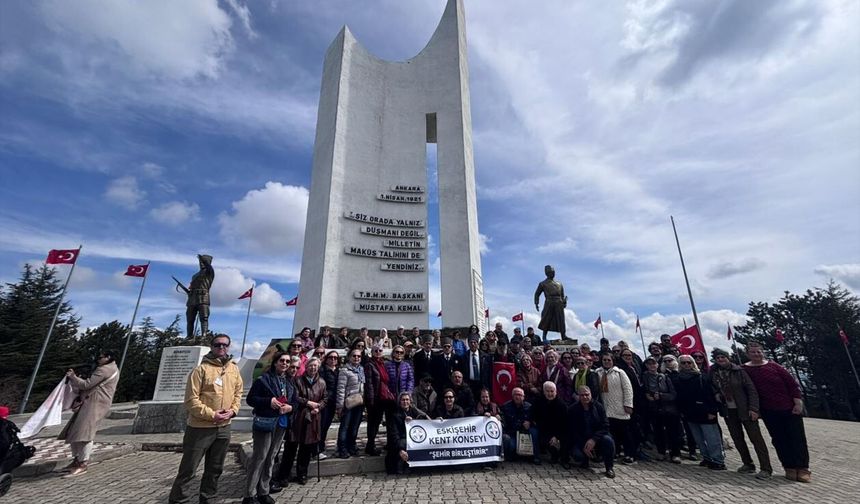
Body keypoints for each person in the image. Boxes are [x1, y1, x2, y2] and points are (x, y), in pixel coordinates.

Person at [168, 335, 243, 503]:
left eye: (225, 345)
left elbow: (238, 393)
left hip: (224, 427)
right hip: (200, 428)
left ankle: (208, 498)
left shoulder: (234, 369)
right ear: (212, 346)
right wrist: (212, 415)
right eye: (218, 344)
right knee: (189, 469)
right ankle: (179, 500)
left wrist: (233, 411)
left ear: (229, 347)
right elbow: (191, 400)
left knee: (215, 468)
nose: (221, 347)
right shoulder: (200, 370)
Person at [743, 341, 810, 482]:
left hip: (789, 408)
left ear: (763, 352)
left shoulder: (774, 366)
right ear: (747, 354)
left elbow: (792, 385)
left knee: (797, 438)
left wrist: (798, 402)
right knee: (779, 440)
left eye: (759, 351)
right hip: (768, 410)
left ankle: (803, 468)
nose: (756, 354)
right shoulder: (745, 370)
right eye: (753, 352)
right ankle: (789, 466)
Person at [710, 348, 772, 479]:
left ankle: (766, 468)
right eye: (718, 358)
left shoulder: (739, 371)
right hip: (728, 410)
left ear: (728, 358)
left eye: (723, 357)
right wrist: (716, 394)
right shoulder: (714, 373)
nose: (721, 360)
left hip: (745, 409)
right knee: (738, 439)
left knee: (756, 439)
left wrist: (754, 409)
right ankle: (748, 463)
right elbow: (714, 387)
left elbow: (751, 390)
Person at [243, 352, 295, 504]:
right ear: (275, 362)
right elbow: (251, 399)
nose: (284, 363)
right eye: (282, 361)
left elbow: (295, 402)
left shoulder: (289, 382)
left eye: (287, 361)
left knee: (271, 457)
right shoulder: (263, 380)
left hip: (281, 423)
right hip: (265, 422)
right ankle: (249, 494)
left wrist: (290, 407)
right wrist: (268, 401)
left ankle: (263, 491)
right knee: (259, 457)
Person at [59, 350, 120, 477]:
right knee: (76, 432)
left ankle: (82, 463)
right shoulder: (113, 368)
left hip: (94, 404)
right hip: (94, 403)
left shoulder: (104, 370)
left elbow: (87, 385)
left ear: (108, 357)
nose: (98, 359)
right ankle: (77, 460)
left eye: (100, 357)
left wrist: (73, 377)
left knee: (85, 434)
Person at [277, 357, 326, 486]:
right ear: (306, 366)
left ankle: (302, 474)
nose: (313, 368)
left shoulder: (321, 382)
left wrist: (319, 407)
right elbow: (295, 397)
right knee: (291, 448)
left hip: (312, 419)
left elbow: (325, 398)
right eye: (310, 365)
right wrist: (308, 403)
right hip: (298, 418)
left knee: (306, 449)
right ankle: (283, 475)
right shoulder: (297, 380)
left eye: (315, 366)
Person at [675, 355, 725, 470]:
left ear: (693, 364)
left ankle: (718, 460)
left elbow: (710, 394)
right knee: (698, 439)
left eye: (689, 362)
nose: (686, 365)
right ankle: (706, 458)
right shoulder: (678, 379)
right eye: (683, 363)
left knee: (712, 438)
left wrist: (712, 410)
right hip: (690, 413)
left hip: (706, 412)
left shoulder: (702, 377)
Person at [594, 352, 636, 464]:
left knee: (625, 433)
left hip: (620, 407)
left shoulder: (620, 372)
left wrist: (628, 404)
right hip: (606, 407)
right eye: (604, 360)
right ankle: (614, 452)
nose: (606, 362)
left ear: (613, 361)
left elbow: (628, 389)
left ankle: (629, 454)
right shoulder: (598, 373)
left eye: (609, 360)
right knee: (612, 433)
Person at [566, 385, 615, 478]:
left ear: (591, 394)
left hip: (597, 438)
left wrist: (593, 440)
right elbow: (572, 430)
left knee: (608, 440)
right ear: (578, 396)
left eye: (587, 394)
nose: (585, 397)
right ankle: (585, 459)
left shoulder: (599, 407)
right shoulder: (572, 409)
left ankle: (609, 467)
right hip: (581, 440)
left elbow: (605, 426)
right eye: (582, 395)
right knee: (577, 456)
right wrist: (584, 444)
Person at [642, 357, 682, 464]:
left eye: (653, 364)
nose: (651, 366)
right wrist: (647, 395)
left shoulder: (664, 377)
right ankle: (661, 452)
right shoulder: (644, 377)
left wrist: (661, 396)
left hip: (668, 409)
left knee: (672, 432)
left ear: (657, 365)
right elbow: (644, 390)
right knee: (658, 432)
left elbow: (673, 395)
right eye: (649, 364)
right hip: (654, 409)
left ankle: (675, 454)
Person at [663, 354, 698, 460]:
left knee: (690, 430)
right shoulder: (663, 375)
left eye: (670, 360)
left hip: (686, 406)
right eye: (666, 361)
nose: (668, 362)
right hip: (671, 407)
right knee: (674, 430)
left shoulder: (681, 375)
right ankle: (675, 453)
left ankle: (693, 451)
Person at [385, 392, 430, 475]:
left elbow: (426, 420)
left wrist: (437, 422)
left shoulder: (414, 411)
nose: (405, 402)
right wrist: (400, 450)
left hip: (414, 439)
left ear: (410, 401)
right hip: (400, 442)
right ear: (399, 402)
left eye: (407, 400)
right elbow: (394, 435)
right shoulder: (394, 415)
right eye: (403, 400)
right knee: (403, 444)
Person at [363, 344, 395, 456]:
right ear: (372, 352)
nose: (378, 352)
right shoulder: (369, 365)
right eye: (375, 350)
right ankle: (370, 446)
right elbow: (369, 384)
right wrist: (370, 401)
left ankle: (372, 445)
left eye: (380, 350)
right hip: (375, 399)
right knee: (373, 423)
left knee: (377, 423)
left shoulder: (383, 364)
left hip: (383, 398)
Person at [335, 350, 365, 458]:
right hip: (348, 402)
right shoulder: (344, 370)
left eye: (358, 356)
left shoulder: (361, 369)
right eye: (354, 356)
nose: (356, 358)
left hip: (359, 402)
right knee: (345, 426)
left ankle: (351, 446)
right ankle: (342, 448)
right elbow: (341, 388)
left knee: (355, 426)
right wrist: (339, 405)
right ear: (349, 357)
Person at [500, 387, 540, 464]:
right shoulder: (505, 407)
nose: (517, 396)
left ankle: (536, 457)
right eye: (515, 394)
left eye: (520, 395)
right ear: (512, 396)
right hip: (512, 434)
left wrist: (530, 423)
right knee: (509, 443)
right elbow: (502, 421)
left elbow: (536, 420)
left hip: (525, 434)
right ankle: (511, 455)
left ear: (523, 397)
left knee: (534, 431)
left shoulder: (530, 407)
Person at [533, 382, 567, 463]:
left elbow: (564, 424)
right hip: (544, 430)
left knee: (559, 447)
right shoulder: (538, 401)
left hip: (559, 431)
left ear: (556, 392)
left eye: (552, 391)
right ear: (544, 392)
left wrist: (556, 436)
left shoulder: (562, 405)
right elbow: (532, 413)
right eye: (547, 391)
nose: (550, 394)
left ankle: (560, 454)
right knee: (542, 439)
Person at [318, 350, 340, 459]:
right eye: (331, 357)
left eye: (335, 358)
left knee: (326, 426)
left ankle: (321, 446)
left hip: (333, 402)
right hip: (325, 402)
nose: (333, 359)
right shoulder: (322, 370)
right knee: (321, 426)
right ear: (326, 359)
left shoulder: (338, 371)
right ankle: (318, 449)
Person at [464, 335, 491, 401]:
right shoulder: (464, 357)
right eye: (471, 342)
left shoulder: (485, 356)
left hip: (482, 384)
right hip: (469, 384)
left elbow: (489, 372)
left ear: (478, 343)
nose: (473, 344)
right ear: (468, 344)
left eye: (475, 342)